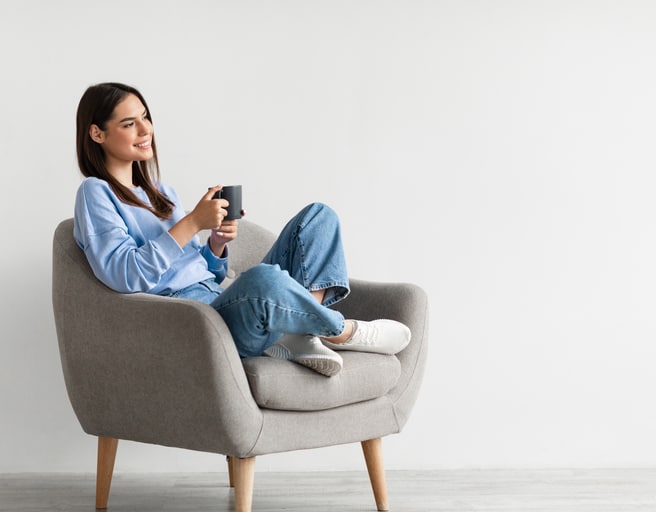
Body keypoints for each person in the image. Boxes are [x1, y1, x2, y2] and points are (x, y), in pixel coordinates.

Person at [72, 82, 409, 376]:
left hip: (220, 299)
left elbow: (207, 273)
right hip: (195, 320)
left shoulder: (162, 193)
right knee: (265, 279)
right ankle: (340, 331)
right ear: (97, 133)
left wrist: (215, 244)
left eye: (145, 117)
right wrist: (192, 223)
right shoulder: (95, 193)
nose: (145, 130)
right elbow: (123, 274)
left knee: (319, 216)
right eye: (129, 123)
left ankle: (302, 335)